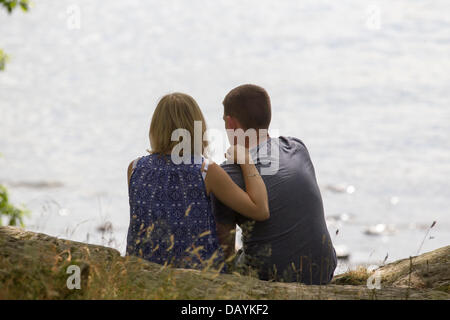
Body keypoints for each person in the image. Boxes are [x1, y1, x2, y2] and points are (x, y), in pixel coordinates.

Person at [126, 92, 269, 271]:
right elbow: (260, 209)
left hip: (140, 270)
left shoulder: (135, 168)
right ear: (196, 127)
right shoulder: (206, 171)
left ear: (155, 127)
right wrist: (246, 161)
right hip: (197, 273)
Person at [212, 84, 337, 284]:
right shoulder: (296, 147)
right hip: (323, 270)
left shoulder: (227, 175)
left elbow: (223, 251)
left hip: (272, 279)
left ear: (231, 123)